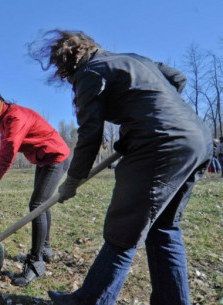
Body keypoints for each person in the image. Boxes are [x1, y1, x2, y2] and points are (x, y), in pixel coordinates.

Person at [29, 30, 212, 305]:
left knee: (123, 231)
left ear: (66, 64)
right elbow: (178, 78)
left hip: (159, 146)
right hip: (198, 139)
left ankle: (89, 302)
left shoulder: (88, 73)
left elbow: (90, 134)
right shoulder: (131, 59)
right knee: (164, 228)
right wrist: (150, 115)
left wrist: (72, 180)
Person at [0, 86, 70, 286]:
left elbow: (7, 155)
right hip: (44, 159)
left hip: (55, 157)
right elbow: (6, 148)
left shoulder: (15, 118)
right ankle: (45, 249)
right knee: (42, 204)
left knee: (37, 205)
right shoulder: (3, 120)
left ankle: (36, 263)